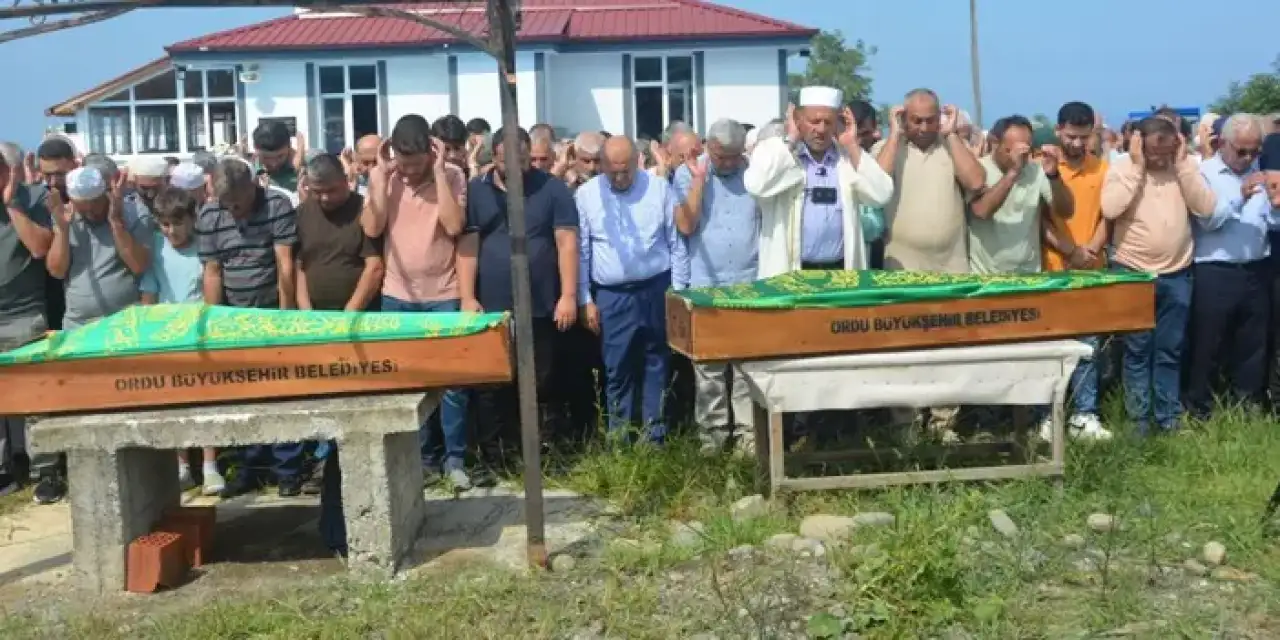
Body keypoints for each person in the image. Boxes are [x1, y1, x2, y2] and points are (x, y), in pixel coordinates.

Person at [360, 115, 472, 490]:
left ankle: (455, 459)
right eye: (402, 162)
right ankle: (422, 459)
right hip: (397, 295)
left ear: (430, 151)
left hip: (443, 294)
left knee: (453, 383)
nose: (408, 171)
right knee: (407, 382)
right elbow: (372, 229)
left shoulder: (453, 176)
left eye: (415, 162)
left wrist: (439, 173)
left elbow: (454, 226)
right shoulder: (387, 180)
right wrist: (377, 184)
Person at [458, 126, 579, 451]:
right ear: (494, 157)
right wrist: (467, 297)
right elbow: (468, 247)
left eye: (522, 161)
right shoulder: (477, 192)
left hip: (541, 304)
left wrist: (568, 295)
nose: (515, 169)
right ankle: (499, 451)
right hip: (492, 307)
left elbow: (566, 243)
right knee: (494, 382)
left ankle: (543, 449)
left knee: (543, 379)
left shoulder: (552, 189)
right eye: (506, 161)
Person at [1101, 116, 1218, 434]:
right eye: (1153, 152)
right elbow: (1111, 209)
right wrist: (1139, 167)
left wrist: (1181, 167)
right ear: (1138, 143)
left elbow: (1206, 207)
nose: (1159, 159)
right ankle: (1139, 421)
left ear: (1177, 144)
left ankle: (1168, 419)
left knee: (1170, 348)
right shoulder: (1124, 167)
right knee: (1137, 350)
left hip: (1178, 272)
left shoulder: (1184, 166)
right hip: (1133, 271)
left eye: (1166, 152)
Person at [42, 166, 152, 503]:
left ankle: (136, 479)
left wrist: (116, 222)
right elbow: (57, 269)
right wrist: (61, 227)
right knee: (82, 405)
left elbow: (139, 264)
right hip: (79, 326)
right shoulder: (68, 217)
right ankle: (88, 485)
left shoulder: (132, 213)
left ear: (107, 193)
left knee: (125, 406)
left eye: (94, 204)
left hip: (123, 326)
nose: (88, 212)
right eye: (82, 205)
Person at [197, 158, 303, 495]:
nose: (233, 212)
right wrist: (215, 324)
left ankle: (288, 470)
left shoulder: (277, 204)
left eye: (238, 205)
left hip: (272, 311)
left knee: (284, 393)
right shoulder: (210, 215)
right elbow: (213, 272)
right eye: (226, 205)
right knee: (243, 395)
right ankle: (250, 467)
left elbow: (284, 262)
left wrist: (285, 318)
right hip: (234, 318)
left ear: (253, 187)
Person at [576, 135, 686, 443]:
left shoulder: (659, 189)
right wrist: (585, 298)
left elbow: (675, 244)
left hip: (656, 288)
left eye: (626, 170)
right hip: (612, 295)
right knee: (617, 367)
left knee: (657, 362)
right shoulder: (587, 196)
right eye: (613, 171)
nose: (620, 177)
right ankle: (620, 438)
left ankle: (655, 437)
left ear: (638, 161)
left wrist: (677, 292)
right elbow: (582, 251)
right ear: (602, 166)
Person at [672, 119, 760, 454]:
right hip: (706, 286)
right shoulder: (690, 172)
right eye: (721, 156)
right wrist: (697, 182)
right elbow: (685, 224)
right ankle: (712, 441)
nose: (727, 163)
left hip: (748, 284)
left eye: (733, 157)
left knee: (743, 368)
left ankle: (747, 440)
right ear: (708, 146)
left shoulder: (752, 173)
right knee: (709, 370)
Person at [743, 86, 894, 277]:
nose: (821, 130)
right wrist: (791, 139)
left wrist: (852, 144)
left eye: (828, 122)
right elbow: (756, 185)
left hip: (841, 272)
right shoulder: (777, 153)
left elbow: (881, 194)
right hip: (791, 273)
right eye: (814, 121)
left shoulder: (847, 160)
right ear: (798, 120)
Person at [1186, 114, 1273, 419]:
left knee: (1253, 343)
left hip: (1256, 266)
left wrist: (1275, 206)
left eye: (1255, 151)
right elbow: (1207, 221)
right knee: (1208, 343)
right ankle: (1199, 409)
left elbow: (1266, 223)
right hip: (1215, 270)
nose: (1248, 158)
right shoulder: (1203, 174)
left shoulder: (1260, 173)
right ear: (1222, 144)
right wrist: (1240, 194)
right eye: (1242, 151)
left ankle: (1246, 406)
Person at [140, 186, 226, 495]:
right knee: (173, 400)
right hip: (166, 334)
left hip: (199, 332)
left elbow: (212, 285)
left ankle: (210, 465)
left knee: (206, 399)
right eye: (165, 224)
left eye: (177, 222)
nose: (171, 230)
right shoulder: (155, 248)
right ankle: (181, 466)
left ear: (192, 218)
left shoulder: (205, 246)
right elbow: (149, 291)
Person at [1040, 101, 1113, 439]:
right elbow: (1039, 220)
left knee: (1088, 347)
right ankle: (1048, 414)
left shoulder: (1103, 169)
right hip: (1053, 268)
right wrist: (1070, 250)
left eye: (1084, 137)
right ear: (1058, 131)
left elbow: (1107, 217)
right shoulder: (1043, 168)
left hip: (1090, 269)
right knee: (1049, 346)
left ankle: (1085, 414)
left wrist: (1092, 250)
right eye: (1071, 136)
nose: (1077, 144)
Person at [0, 142, 53, 497]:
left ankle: (45, 470)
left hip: (24, 314)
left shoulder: (34, 198)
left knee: (35, 397)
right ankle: (5, 468)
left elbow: (39, 247)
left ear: (13, 170)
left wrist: (11, 203)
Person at [252, 120, 303, 193]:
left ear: (289, 146)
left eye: (280, 156)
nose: (273, 164)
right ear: (255, 149)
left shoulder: (309, 166)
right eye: (266, 157)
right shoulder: (249, 171)